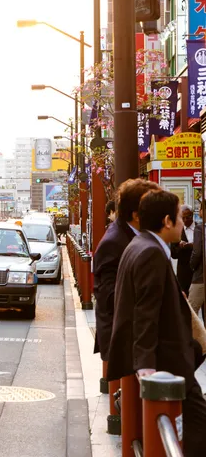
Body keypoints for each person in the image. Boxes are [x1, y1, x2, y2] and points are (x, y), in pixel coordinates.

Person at [107, 190, 206, 456]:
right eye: (178, 217)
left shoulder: (140, 244)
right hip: (168, 363)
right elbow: (145, 313)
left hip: (167, 360)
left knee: (183, 430)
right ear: (166, 221)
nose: (183, 223)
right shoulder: (151, 252)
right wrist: (146, 366)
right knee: (198, 427)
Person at [93, 178, 159, 360]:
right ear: (137, 214)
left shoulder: (134, 234)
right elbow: (109, 296)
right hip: (125, 337)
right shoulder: (114, 242)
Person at [171, 205, 195, 296]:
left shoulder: (199, 228)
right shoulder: (178, 231)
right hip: (183, 272)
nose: (185, 220)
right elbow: (173, 254)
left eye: (188, 217)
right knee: (185, 299)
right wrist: (180, 247)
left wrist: (192, 246)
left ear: (192, 215)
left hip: (198, 272)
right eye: (183, 218)